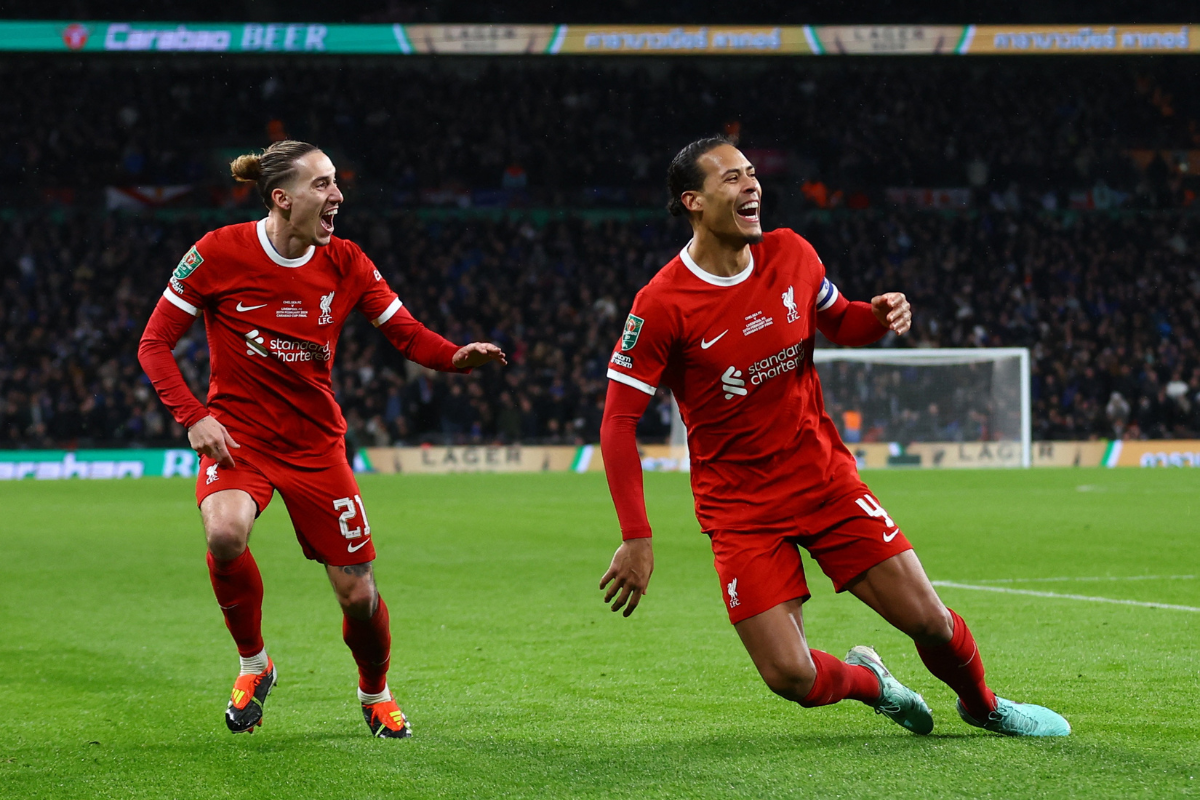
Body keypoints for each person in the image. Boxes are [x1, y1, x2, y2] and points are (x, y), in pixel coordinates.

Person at [598, 136, 1069, 738]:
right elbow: (618, 422)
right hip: (741, 507)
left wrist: (874, 317)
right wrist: (636, 537)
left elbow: (838, 317)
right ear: (692, 201)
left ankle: (983, 704)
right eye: (732, 178)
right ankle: (874, 683)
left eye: (752, 173)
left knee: (928, 619)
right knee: (790, 677)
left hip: (823, 480)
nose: (752, 185)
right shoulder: (662, 304)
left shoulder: (792, 254)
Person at [138, 140, 506, 738]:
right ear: (282, 199)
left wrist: (456, 357)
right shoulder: (217, 252)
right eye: (322, 185)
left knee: (358, 595)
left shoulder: (348, 261)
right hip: (240, 440)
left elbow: (408, 334)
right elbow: (153, 344)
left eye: (336, 183)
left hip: (316, 448)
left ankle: (375, 692)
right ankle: (254, 664)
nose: (336, 195)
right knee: (225, 531)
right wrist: (193, 416)